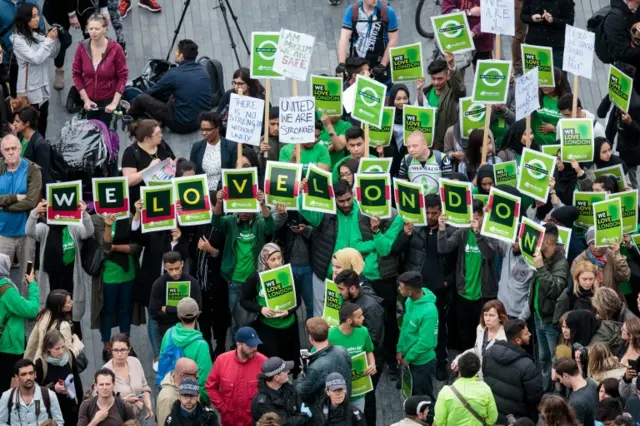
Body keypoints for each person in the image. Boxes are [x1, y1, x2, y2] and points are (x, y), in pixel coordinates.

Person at [395, 193, 454, 376]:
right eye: (426, 213)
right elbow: (397, 250)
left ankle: (440, 363)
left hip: (437, 287)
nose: (429, 217)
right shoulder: (415, 227)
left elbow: (457, 262)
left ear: (441, 212)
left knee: (438, 327)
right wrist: (405, 235)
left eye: (434, 213)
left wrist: (447, 281)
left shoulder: (449, 231)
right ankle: (408, 362)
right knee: (409, 324)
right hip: (414, 285)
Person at [437, 199, 498, 350]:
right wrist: (442, 229)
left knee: (483, 334)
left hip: (484, 295)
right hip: (463, 293)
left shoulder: (490, 233)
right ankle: (466, 366)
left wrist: (478, 235)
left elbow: (489, 254)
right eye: (472, 218)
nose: (474, 222)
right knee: (465, 335)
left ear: (483, 217)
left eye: (477, 218)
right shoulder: (462, 233)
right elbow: (443, 248)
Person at [27, 199, 92, 332]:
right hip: (51, 276)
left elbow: (88, 232)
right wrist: (34, 212)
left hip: (70, 273)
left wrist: (84, 214)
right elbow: (29, 231)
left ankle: (74, 338)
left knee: (71, 307)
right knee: (52, 307)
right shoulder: (44, 228)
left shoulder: (73, 226)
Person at [298, 180, 361, 315]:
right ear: (333, 199)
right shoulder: (325, 211)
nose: (346, 204)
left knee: (350, 314)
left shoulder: (362, 212)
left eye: (349, 199)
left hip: (352, 275)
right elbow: (306, 211)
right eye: (341, 201)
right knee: (321, 313)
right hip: (324, 272)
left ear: (353, 194)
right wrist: (301, 193)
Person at [213, 188, 274, 323]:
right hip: (235, 280)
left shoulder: (259, 222)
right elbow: (216, 222)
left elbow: (270, 227)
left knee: (256, 318)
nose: (243, 213)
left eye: (246, 210)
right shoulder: (231, 221)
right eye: (240, 210)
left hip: (254, 280)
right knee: (236, 320)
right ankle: (237, 344)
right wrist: (218, 202)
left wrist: (263, 204)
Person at [128, 39, 211, 133]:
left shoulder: (174, 73)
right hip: (200, 121)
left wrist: (132, 103)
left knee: (141, 98)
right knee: (175, 93)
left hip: (181, 124)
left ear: (181, 56)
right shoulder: (203, 70)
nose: (175, 53)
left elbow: (152, 91)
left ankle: (129, 114)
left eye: (177, 52)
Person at [240, 243, 301, 368]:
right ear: (264, 260)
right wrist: (261, 309)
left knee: (289, 364)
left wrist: (289, 311)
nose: (277, 262)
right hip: (268, 327)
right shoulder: (255, 278)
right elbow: (244, 301)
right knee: (272, 365)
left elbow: (298, 300)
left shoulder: (288, 274)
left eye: (280, 258)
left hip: (289, 326)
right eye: (273, 259)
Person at [530, 223, 569, 391]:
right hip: (539, 317)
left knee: (555, 360)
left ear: (546, 242)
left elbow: (554, 290)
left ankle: (556, 393)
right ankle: (545, 390)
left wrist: (540, 267)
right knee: (543, 357)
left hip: (551, 320)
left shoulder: (561, 263)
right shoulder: (542, 258)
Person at [10, 3, 60, 137]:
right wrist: (49, 41)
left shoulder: (37, 35)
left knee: (42, 123)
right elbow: (35, 59)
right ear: (25, 18)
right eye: (33, 16)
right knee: (29, 128)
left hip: (42, 87)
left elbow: (53, 54)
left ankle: (40, 149)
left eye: (38, 15)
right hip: (29, 92)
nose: (37, 19)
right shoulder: (18, 40)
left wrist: (56, 40)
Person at [396, 271, 438, 422]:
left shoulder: (429, 311)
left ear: (410, 290)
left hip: (422, 364)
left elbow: (426, 342)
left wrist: (409, 357)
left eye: (401, 287)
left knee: (425, 400)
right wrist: (399, 348)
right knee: (412, 395)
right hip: (409, 360)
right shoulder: (409, 301)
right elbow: (405, 326)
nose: (399, 290)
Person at [71, 13, 128, 127]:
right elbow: (76, 74)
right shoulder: (82, 47)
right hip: (89, 99)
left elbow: (122, 76)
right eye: (90, 28)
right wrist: (85, 99)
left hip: (108, 100)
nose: (93, 32)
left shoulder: (115, 49)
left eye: (97, 28)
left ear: (105, 29)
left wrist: (114, 103)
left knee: (106, 131)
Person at [483, 319, 543, 423]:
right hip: (519, 419)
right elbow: (535, 397)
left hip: (494, 414)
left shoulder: (488, 353)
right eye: (526, 333)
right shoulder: (527, 365)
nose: (530, 334)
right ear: (518, 340)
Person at [205, 326, 267, 426]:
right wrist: (222, 408)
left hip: (254, 421)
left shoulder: (263, 362)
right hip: (229, 420)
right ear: (239, 344)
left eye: (256, 345)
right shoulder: (222, 360)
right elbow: (211, 387)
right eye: (250, 346)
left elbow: (273, 388)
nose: (254, 349)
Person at [0, 134, 41, 281]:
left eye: (13, 148)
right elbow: (23, 200)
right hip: (2, 234)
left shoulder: (32, 170)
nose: (10, 152)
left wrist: (3, 206)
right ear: (2, 151)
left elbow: (30, 202)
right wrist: (15, 197)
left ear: (20, 149)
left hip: (27, 235)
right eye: (6, 149)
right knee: (1, 277)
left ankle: (30, 303)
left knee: (28, 273)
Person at [159, 297, 212, 404]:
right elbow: (204, 380)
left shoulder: (169, 334)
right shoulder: (201, 345)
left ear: (178, 316)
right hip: (190, 400)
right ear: (198, 315)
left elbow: (161, 361)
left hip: (168, 392)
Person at [295, 318, 352, 417]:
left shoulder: (316, 367)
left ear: (311, 339)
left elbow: (301, 393)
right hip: (345, 404)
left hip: (326, 413)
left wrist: (301, 375)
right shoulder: (342, 350)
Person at [337, 0, 399, 88]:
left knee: (383, 94)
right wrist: (341, 63)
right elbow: (344, 37)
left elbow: (393, 40)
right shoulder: (353, 11)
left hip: (379, 62)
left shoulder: (388, 12)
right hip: (359, 64)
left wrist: (382, 65)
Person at [0, 253, 39, 389]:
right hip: (9, 346)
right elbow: (32, 310)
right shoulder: (6, 289)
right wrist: (33, 284)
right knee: (8, 386)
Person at [328, 303, 375, 412]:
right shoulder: (330, 335)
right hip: (338, 392)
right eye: (359, 317)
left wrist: (372, 364)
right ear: (349, 321)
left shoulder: (363, 331)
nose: (363, 318)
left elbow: (369, 351)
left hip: (359, 391)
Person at [415, 54, 465, 150]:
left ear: (448, 76)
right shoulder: (426, 91)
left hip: (446, 144)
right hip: (428, 143)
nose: (436, 82)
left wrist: (452, 66)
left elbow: (460, 89)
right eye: (433, 79)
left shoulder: (453, 93)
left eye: (440, 79)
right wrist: (419, 92)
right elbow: (420, 112)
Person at [121, 119, 176, 207]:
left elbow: (174, 159)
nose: (161, 135)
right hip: (143, 201)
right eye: (157, 134)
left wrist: (172, 164)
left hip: (164, 195)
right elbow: (128, 180)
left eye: (160, 132)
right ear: (147, 138)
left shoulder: (162, 144)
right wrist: (149, 169)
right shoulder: (131, 152)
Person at [149, 250, 201, 340]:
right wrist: (184, 314)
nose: (174, 273)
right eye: (170, 269)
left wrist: (169, 309)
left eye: (177, 268)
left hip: (188, 330)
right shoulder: (158, 284)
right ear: (165, 267)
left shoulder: (192, 282)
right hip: (167, 331)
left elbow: (197, 309)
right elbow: (154, 312)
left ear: (182, 263)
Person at [435, 352, 498, 426]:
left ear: (458, 369)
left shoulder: (445, 392)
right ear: (477, 370)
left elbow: (439, 422)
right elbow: (493, 418)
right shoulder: (485, 389)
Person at [34, 330, 83, 425]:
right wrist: (53, 388)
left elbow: (77, 380)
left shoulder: (69, 356)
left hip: (71, 407)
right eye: (57, 349)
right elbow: (35, 391)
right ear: (48, 348)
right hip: (51, 412)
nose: (61, 351)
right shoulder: (41, 364)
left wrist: (80, 405)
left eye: (63, 347)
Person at [102, 334, 153, 419]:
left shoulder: (135, 362)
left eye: (123, 350)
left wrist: (148, 404)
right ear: (111, 350)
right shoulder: (105, 371)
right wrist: (125, 400)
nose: (119, 354)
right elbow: (103, 402)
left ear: (129, 350)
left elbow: (144, 387)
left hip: (137, 415)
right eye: (116, 350)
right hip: (117, 418)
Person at [452, 300, 508, 377]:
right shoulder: (480, 328)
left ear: (500, 318)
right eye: (485, 315)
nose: (487, 319)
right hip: (477, 374)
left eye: (491, 315)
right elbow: (476, 350)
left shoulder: (504, 339)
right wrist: (459, 359)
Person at [25, 289, 84, 363]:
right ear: (60, 307)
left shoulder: (43, 315)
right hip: (56, 368)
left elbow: (33, 341)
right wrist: (77, 345)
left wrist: (27, 362)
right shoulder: (63, 326)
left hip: (39, 362)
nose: (72, 303)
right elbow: (67, 355)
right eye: (68, 302)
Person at [572, 226, 631, 297]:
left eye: (600, 243)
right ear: (588, 244)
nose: (598, 247)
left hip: (612, 301)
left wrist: (618, 255)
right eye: (593, 243)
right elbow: (576, 285)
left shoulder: (612, 255)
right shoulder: (579, 260)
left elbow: (624, 277)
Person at [0, 359, 63, 425]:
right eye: (23, 374)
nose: (28, 377)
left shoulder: (49, 395)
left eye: (31, 373)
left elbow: (59, 422)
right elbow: (1, 422)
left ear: (35, 374)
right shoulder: (7, 396)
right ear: (17, 377)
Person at [251, 357, 309, 425]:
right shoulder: (263, 404)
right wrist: (304, 416)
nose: (289, 371)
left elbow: (299, 404)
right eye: (285, 371)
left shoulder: (288, 387)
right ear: (276, 378)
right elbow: (283, 423)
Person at [189, 111, 238, 190]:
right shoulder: (197, 147)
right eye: (202, 129)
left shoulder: (231, 146)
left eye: (208, 130)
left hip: (224, 190)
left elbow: (233, 173)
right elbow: (193, 172)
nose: (204, 133)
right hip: (203, 192)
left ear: (217, 129)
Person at [520, 0, 574, 68]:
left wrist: (553, 20)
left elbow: (569, 22)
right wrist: (531, 18)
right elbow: (523, 16)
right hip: (533, 44)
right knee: (532, 76)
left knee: (557, 76)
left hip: (555, 48)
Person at [529, 68, 571, 145]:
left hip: (556, 145)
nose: (544, 86)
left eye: (549, 83)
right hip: (535, 144)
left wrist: (554, 129)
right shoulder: (536, 95)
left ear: (558, 82)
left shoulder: (566, 100)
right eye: (543, 82)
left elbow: (571, 126)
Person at [398, 130, 447, 195]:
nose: (411, 150)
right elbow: (402, 183)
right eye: (408, 146)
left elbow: (447, 186)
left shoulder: (442, 158)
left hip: (436, 202)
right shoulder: (406, 159)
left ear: (425, 144)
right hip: (415, 201)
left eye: (415, 146)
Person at [554, 357, 599, 426]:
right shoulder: (592, 383)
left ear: (565, 376)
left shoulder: (576, 403)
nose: (560, 381)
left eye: (559, 378)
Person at [13, 106, 51, 183]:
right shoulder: (21, 136)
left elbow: (42, 173)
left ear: (27, 123)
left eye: (17, 122)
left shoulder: (40, 144)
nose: (14, 124)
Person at [157, 358, 199, 426]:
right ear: (183, 375)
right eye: (194, 374)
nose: (198, 376)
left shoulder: (180, 387)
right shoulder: (168, 398)